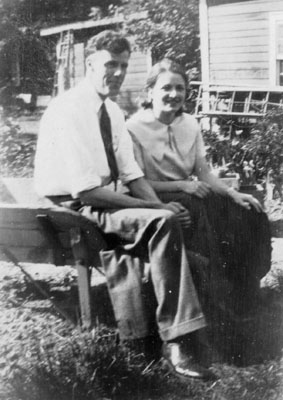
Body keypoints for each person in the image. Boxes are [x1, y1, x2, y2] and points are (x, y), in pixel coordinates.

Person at [34, 31, 214, 380]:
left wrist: (158, 203)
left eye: (123, 65)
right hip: (71, 211)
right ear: (90, 64)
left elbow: (132, 173)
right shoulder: (70, 108)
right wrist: (156, 211)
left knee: (173, 216)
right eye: (109, 65)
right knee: (162, 223)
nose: (116, 73)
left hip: (102, 202)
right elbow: (87, 192)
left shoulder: (112, 110)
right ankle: (179, 339)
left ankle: (174, 328)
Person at [126, 58, 271, 322]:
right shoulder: (133, 129)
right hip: (153, 198)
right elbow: (137, 183)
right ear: (150, 92)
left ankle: (248, 290)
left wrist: (232, 193)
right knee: (198, 212)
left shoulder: (190, 124)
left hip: (190, 190)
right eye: (166, 88)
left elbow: (203, 172)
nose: (174, 94)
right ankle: (216, 302)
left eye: (180, 88)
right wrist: (182, 185)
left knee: (250, 210)